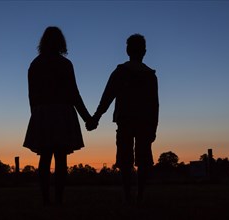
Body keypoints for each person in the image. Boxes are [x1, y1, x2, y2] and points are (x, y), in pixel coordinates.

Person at [86, 34, 159, 204]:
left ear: (127, 50)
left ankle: (128, 196)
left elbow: (107, 97)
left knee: (126, 159)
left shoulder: (121, 72)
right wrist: (153, 127)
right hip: (144, 122)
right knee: (142, 159)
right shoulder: (150, 76)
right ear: (144, 52)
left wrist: (95, 117)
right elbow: (154, 105)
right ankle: (139, 195)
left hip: (125, 119)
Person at [23, 26, 91, 206]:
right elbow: (74, 94)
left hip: (43, 113)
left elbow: (32, 95)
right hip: (62, 113)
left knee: (45, 158)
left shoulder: (35, 64)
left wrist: (36, 116)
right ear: (61, 42)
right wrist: (87, 118)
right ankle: (58, 200)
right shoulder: (65, 64)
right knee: (61, 159)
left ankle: (46, 200)